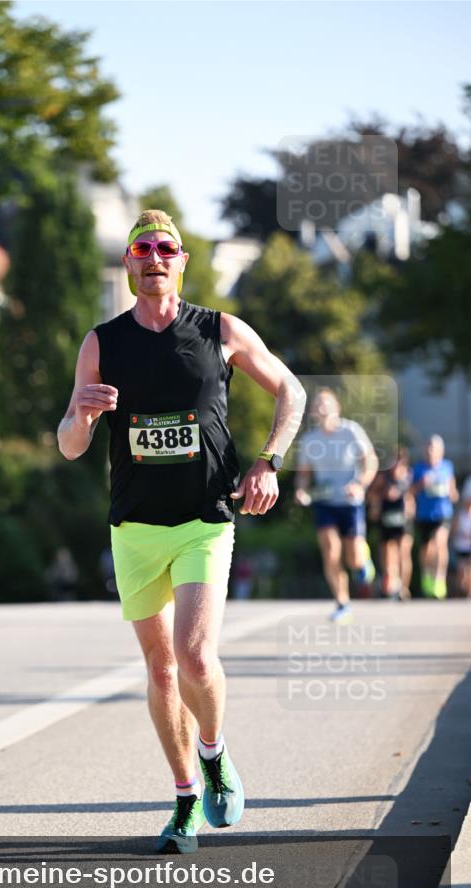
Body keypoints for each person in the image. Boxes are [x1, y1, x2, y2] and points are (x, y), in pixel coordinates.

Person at [58, 209, 305, 854]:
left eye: (166, 248)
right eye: (143, 249)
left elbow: (291, 391)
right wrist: (80, 417)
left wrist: (268, 461)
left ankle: (216, 752)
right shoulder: (101, 342)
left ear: (182, 262)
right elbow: (68, 445)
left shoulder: (218, 329)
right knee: (162, 672)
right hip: (134, 526)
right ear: (129, 263)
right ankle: (185, 796)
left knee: (195, 655)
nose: (155, 258)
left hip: (204, 519)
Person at [294, 387, 379, 622]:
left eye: (325, 403)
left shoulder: (351, 431)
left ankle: (363, 559)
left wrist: (360, 484)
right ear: (312, 411)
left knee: (353, 557)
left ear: (336, 407)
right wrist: (301, 490)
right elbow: (303, 474)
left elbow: (370, 461)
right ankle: (342, 603)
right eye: (317, 404)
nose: (321, 407)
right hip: (324, 502)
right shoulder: (309, 440)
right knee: (331, 551)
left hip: (350, 501)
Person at [410, 435, 458, 599]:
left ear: (441, 451)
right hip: (424, 515)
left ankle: (439, 580)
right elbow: (410, 492)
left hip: (443, 513)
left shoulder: (447, 467)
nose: (430, 451)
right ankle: (427, 576)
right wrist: (421, 484)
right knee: (426, 551)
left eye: (434, 448)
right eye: (428, 447)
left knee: (440, 543)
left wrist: (451, 493)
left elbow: (453, 492)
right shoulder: (418, 468)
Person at [367, 447, 414, 599]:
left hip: (403, 521)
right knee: (388, 554)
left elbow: (413, 495)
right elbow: (371, 494)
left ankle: (404, 589)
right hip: (386, 519)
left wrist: (409, 503)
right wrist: (380, 500)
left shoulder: (408, 476)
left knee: (404, 553)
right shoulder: (383, 478)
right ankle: (391, 584)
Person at [451, 477, 471, 598]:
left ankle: (468, 592)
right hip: (460, 546)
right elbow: (453, 531)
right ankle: (462, 590)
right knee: (461, 571)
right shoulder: (460, 516)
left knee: (468, 569)